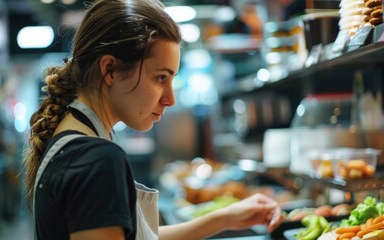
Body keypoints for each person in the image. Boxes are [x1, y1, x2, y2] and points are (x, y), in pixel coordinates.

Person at [22, 0, 283, 239]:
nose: (170, 99)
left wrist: (224, 218)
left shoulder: (75, 143)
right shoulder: (96, 160)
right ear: (110, 70)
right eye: (160, 78)